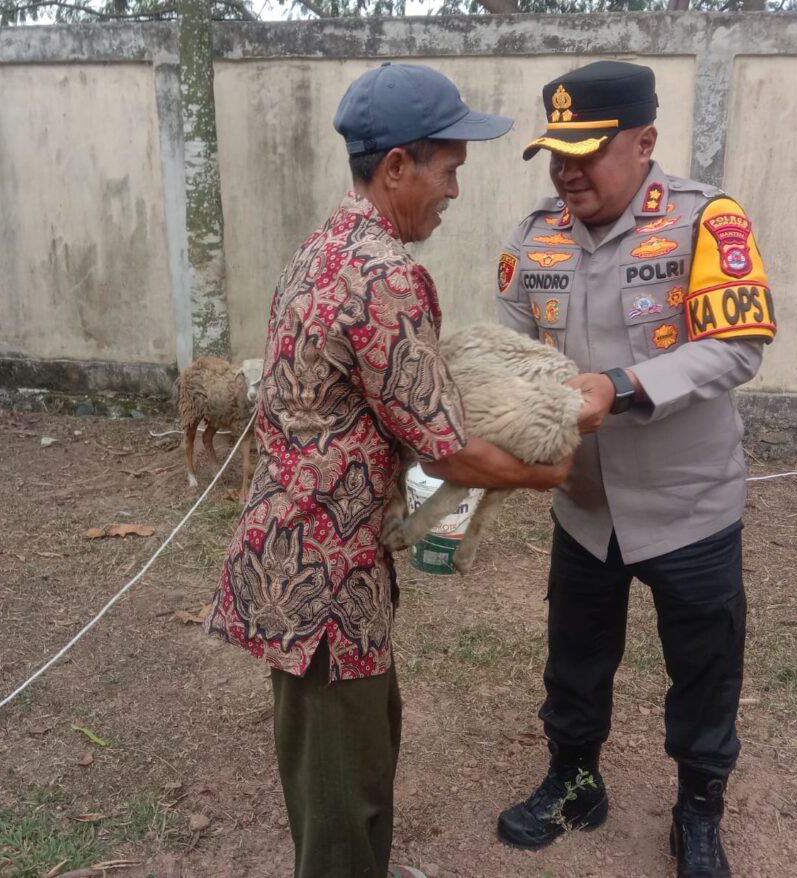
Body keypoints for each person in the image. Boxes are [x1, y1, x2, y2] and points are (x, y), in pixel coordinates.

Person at [207, 62, 573, 878]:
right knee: (341, 790)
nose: (453, 191)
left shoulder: (324, 247)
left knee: (358, 750)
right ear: (398, 166)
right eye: (447, 171)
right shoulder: (386, 276)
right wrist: (549, 473)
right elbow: (445, 446)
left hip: (307, 555)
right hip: (324, 575)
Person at [493, 60, 777, 878]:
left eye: (587, 150)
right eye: (556, 152)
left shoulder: (703, 222)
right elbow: (513, 348)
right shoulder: (534, 235)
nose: (566, 170)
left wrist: (618, 388)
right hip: (583, 504)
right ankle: (575, 781)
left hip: (689, 503)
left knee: (705, 668)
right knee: (575, 659)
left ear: (645, 141)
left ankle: (698, 812)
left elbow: (736, 345)